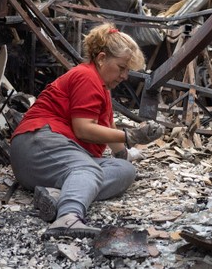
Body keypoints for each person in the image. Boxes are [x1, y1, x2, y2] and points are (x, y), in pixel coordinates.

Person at [9, 23, 165, 238]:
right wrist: (132, 136)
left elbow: (107, 128)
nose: (125, 76)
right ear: (101, 58)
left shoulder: (101, 87)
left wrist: (122, 155)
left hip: (43, 161)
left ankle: (57, 196)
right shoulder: (86, 76)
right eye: (121, 68)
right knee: (88, 170)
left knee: (124, 171)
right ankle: (67, 217)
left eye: (127, 70)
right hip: (38, 142)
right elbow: (83, 129)